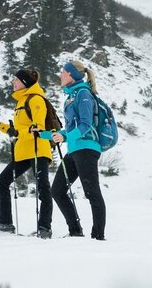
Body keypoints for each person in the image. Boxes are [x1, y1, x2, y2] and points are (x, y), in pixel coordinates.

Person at [32, 60, 106, 240]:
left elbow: (86, 125)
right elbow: (70, 129)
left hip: (87, 148)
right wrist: (43, 135)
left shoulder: (83, 94)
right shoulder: (71, 96)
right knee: (57, 190)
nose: (60, 75)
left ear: (71, 74)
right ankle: (75, 231)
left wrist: (65, 137)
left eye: (63, 72)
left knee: (92, 192)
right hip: (74, 149)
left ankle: (98, 236)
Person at [0, 69, 54, 237]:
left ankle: (44, 229)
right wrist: (0, 125)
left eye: (15, 79)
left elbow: (37, 128)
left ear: (24, 82)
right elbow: (20, 130)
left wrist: (18, 133)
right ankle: (6, 225)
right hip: (23, 151)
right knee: (2, 181)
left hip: (38, 149)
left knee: (43, 188)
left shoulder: (36, 99)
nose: (12, 82)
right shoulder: (21, 101)